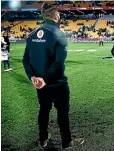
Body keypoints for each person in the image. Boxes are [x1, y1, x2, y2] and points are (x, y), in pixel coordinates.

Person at [22, 2, 84, 149]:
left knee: (43, 110)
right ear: (55, 15)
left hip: (40, 85)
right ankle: (66, 141)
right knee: (62, 112)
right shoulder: (59, 34)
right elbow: (58, 63)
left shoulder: (31, 35)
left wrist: (33, 77)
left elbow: (25, 59)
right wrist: (45, 79)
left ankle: (43, 139)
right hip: (57, 83)